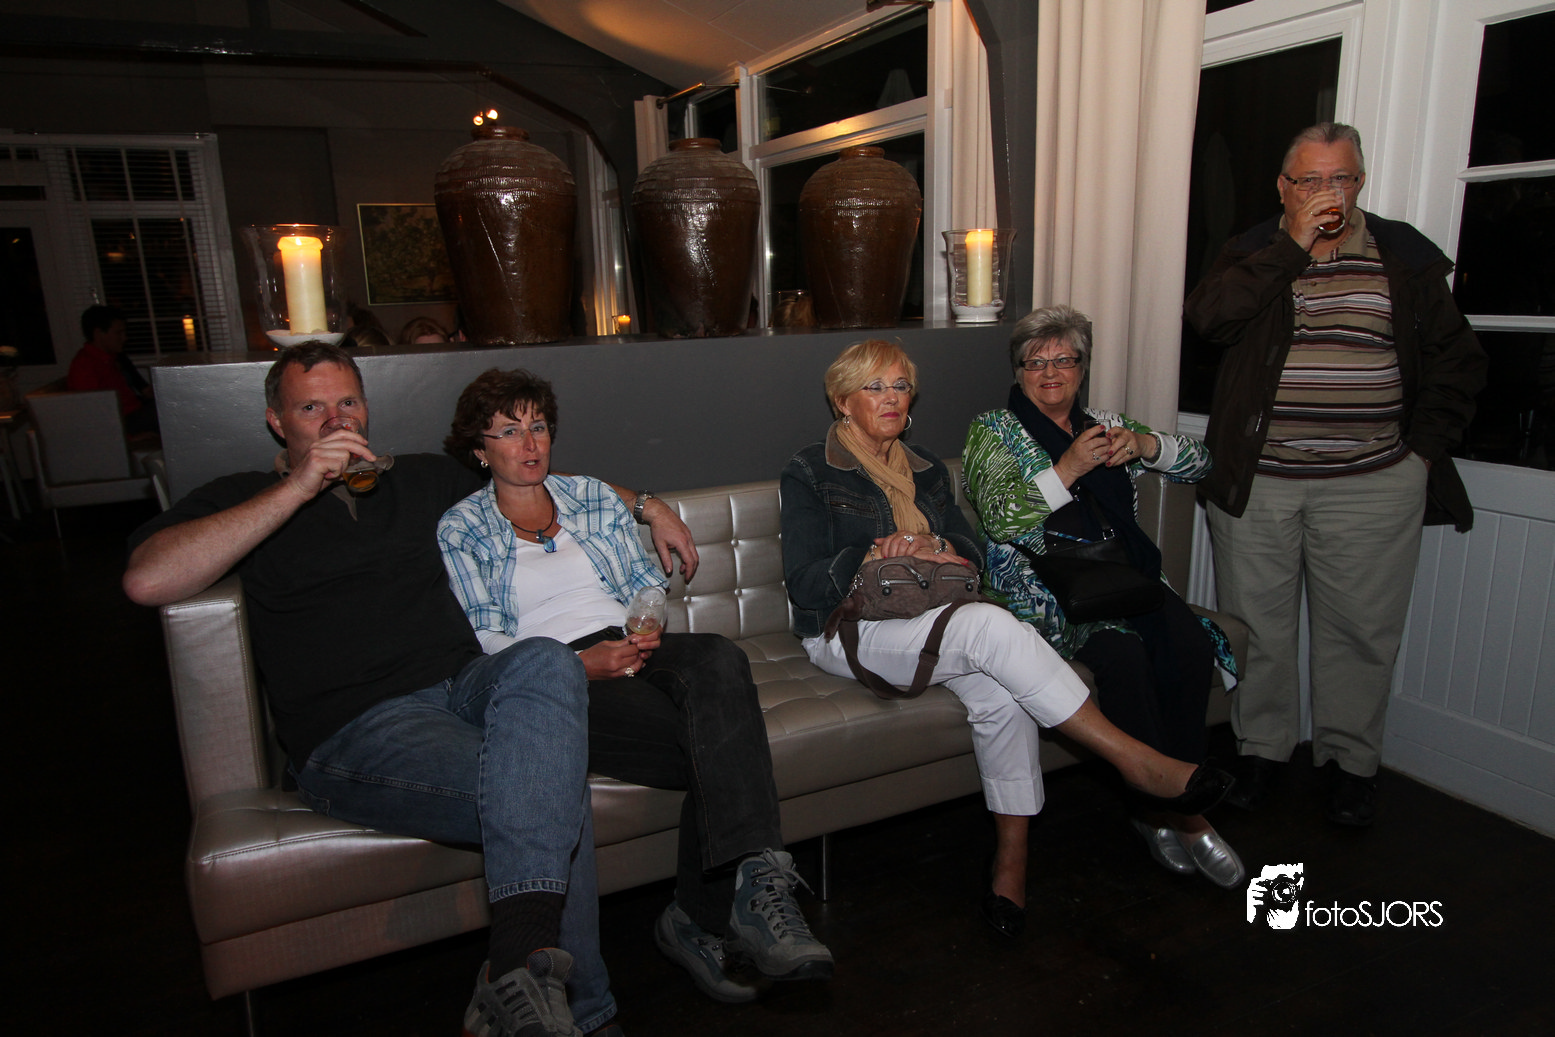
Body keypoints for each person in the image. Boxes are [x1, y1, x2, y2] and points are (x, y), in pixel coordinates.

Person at [123, 342, 699, 1037]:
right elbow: (148, 578)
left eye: (347, 402)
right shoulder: (240, 496)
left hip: (464, 684)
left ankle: (514, 971)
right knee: (546, 779)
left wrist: (650, 506)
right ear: (277, 421)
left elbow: (533, 471)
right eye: (312, 408)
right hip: (361, 724)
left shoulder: (421, 479)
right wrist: (299, 487)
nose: (336, 419)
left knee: (547, 659)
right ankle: (578, 1009)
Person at [779, 339, 1233, 938]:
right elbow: (805, 583)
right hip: (848, 629)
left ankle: (1011, 862)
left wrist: (936, 546)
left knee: (1003, 691)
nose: (891, 398)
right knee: (992, 625)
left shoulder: (925, 468)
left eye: (901, 386)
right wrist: (872, 552)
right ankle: (1137, 761)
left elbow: (971, 550)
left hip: (930, 617)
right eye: (874, 387)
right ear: (843, 402)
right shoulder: (811, 470)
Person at [437, 369, 833, 1004]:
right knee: (715, 744)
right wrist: (579, 663)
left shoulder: (590, 496)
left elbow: (642, 584)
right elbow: (486, 638)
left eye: (538, 427)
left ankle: (747, 888)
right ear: (479, 449)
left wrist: (645, 622)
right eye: (509, 432)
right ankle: (706, 914)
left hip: (630, 643)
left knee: (719, 657)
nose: (530, 444)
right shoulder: (462, 528)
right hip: (550, 678)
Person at [1185, 122, 1486, 827]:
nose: (1327, 192)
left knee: (1361, 633)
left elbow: (1458, 360)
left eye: (1341, 177)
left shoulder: (1400, 254)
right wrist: (1291, 245)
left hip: (1372, 481)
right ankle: (1261, 752)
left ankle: (1351, 766)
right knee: (1256, 628)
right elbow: (1210, 320)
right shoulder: (1253, 249)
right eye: (1310, 179)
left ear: (1360, 182)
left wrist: (1420, 455)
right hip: (1260, 481)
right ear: (1284, 187)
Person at [962, 305, 1244, 889]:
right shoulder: (993, 430)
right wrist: (1066, 468)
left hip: (1125, 574)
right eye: (1035, 362)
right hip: (1043, 586)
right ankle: (1173, 812)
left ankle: (1174, 794)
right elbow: (1001, 517)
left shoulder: (1107, 423)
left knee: (1188, 645)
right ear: (1018, 372)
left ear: (1082, 368)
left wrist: (1145, 444)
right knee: (1123, 655)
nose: (1050, 372)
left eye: (1064, 360)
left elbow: (1201, 463)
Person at [67, 304, 159, 435]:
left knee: (170, 403)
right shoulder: (85, 365)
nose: (124, 338)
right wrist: (127, 438)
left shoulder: (112, 358)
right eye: (118, 333)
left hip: (134, 411)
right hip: (119, 423)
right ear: (99, 334)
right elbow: (90, 413)